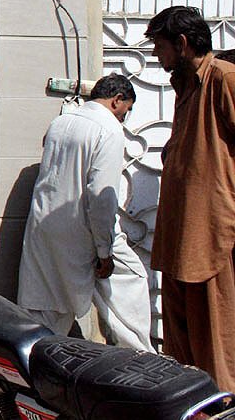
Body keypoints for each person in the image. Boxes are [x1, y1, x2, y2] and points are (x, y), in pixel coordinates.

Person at [18, 74, 152, 350]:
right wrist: (105, 252)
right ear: (117, 101)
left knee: (47, 310)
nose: (123, 119)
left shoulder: (61, 122)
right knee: (131, 281)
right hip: (81, 229)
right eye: (125, 112)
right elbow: (101, 197)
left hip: (44, 226)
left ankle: (21, 372)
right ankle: (139, 358)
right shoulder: (109, 130)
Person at [146, 6, 235, 390]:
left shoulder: (224, 79)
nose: (156, 56)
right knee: (183, 353)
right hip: (179, 241)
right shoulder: (185, 86)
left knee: (217, 344)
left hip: (213, 240)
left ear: (182, 44)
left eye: (160, 46)